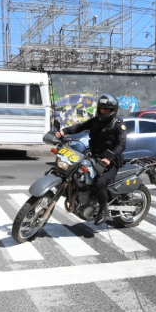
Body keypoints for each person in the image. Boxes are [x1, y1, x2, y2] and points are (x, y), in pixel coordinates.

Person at [55, 94, 126, 225]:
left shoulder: (118, 124)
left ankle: (103, 209)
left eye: (107, 109)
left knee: (99, 183)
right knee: (77, 174)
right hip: (94, 157)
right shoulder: (95, 121)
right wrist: (64, 132)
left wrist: (109, 158)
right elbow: (79, 127)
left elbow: (121, 144)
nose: (104, 111)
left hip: (111, 161)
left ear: (113, 110)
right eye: (102, 108)